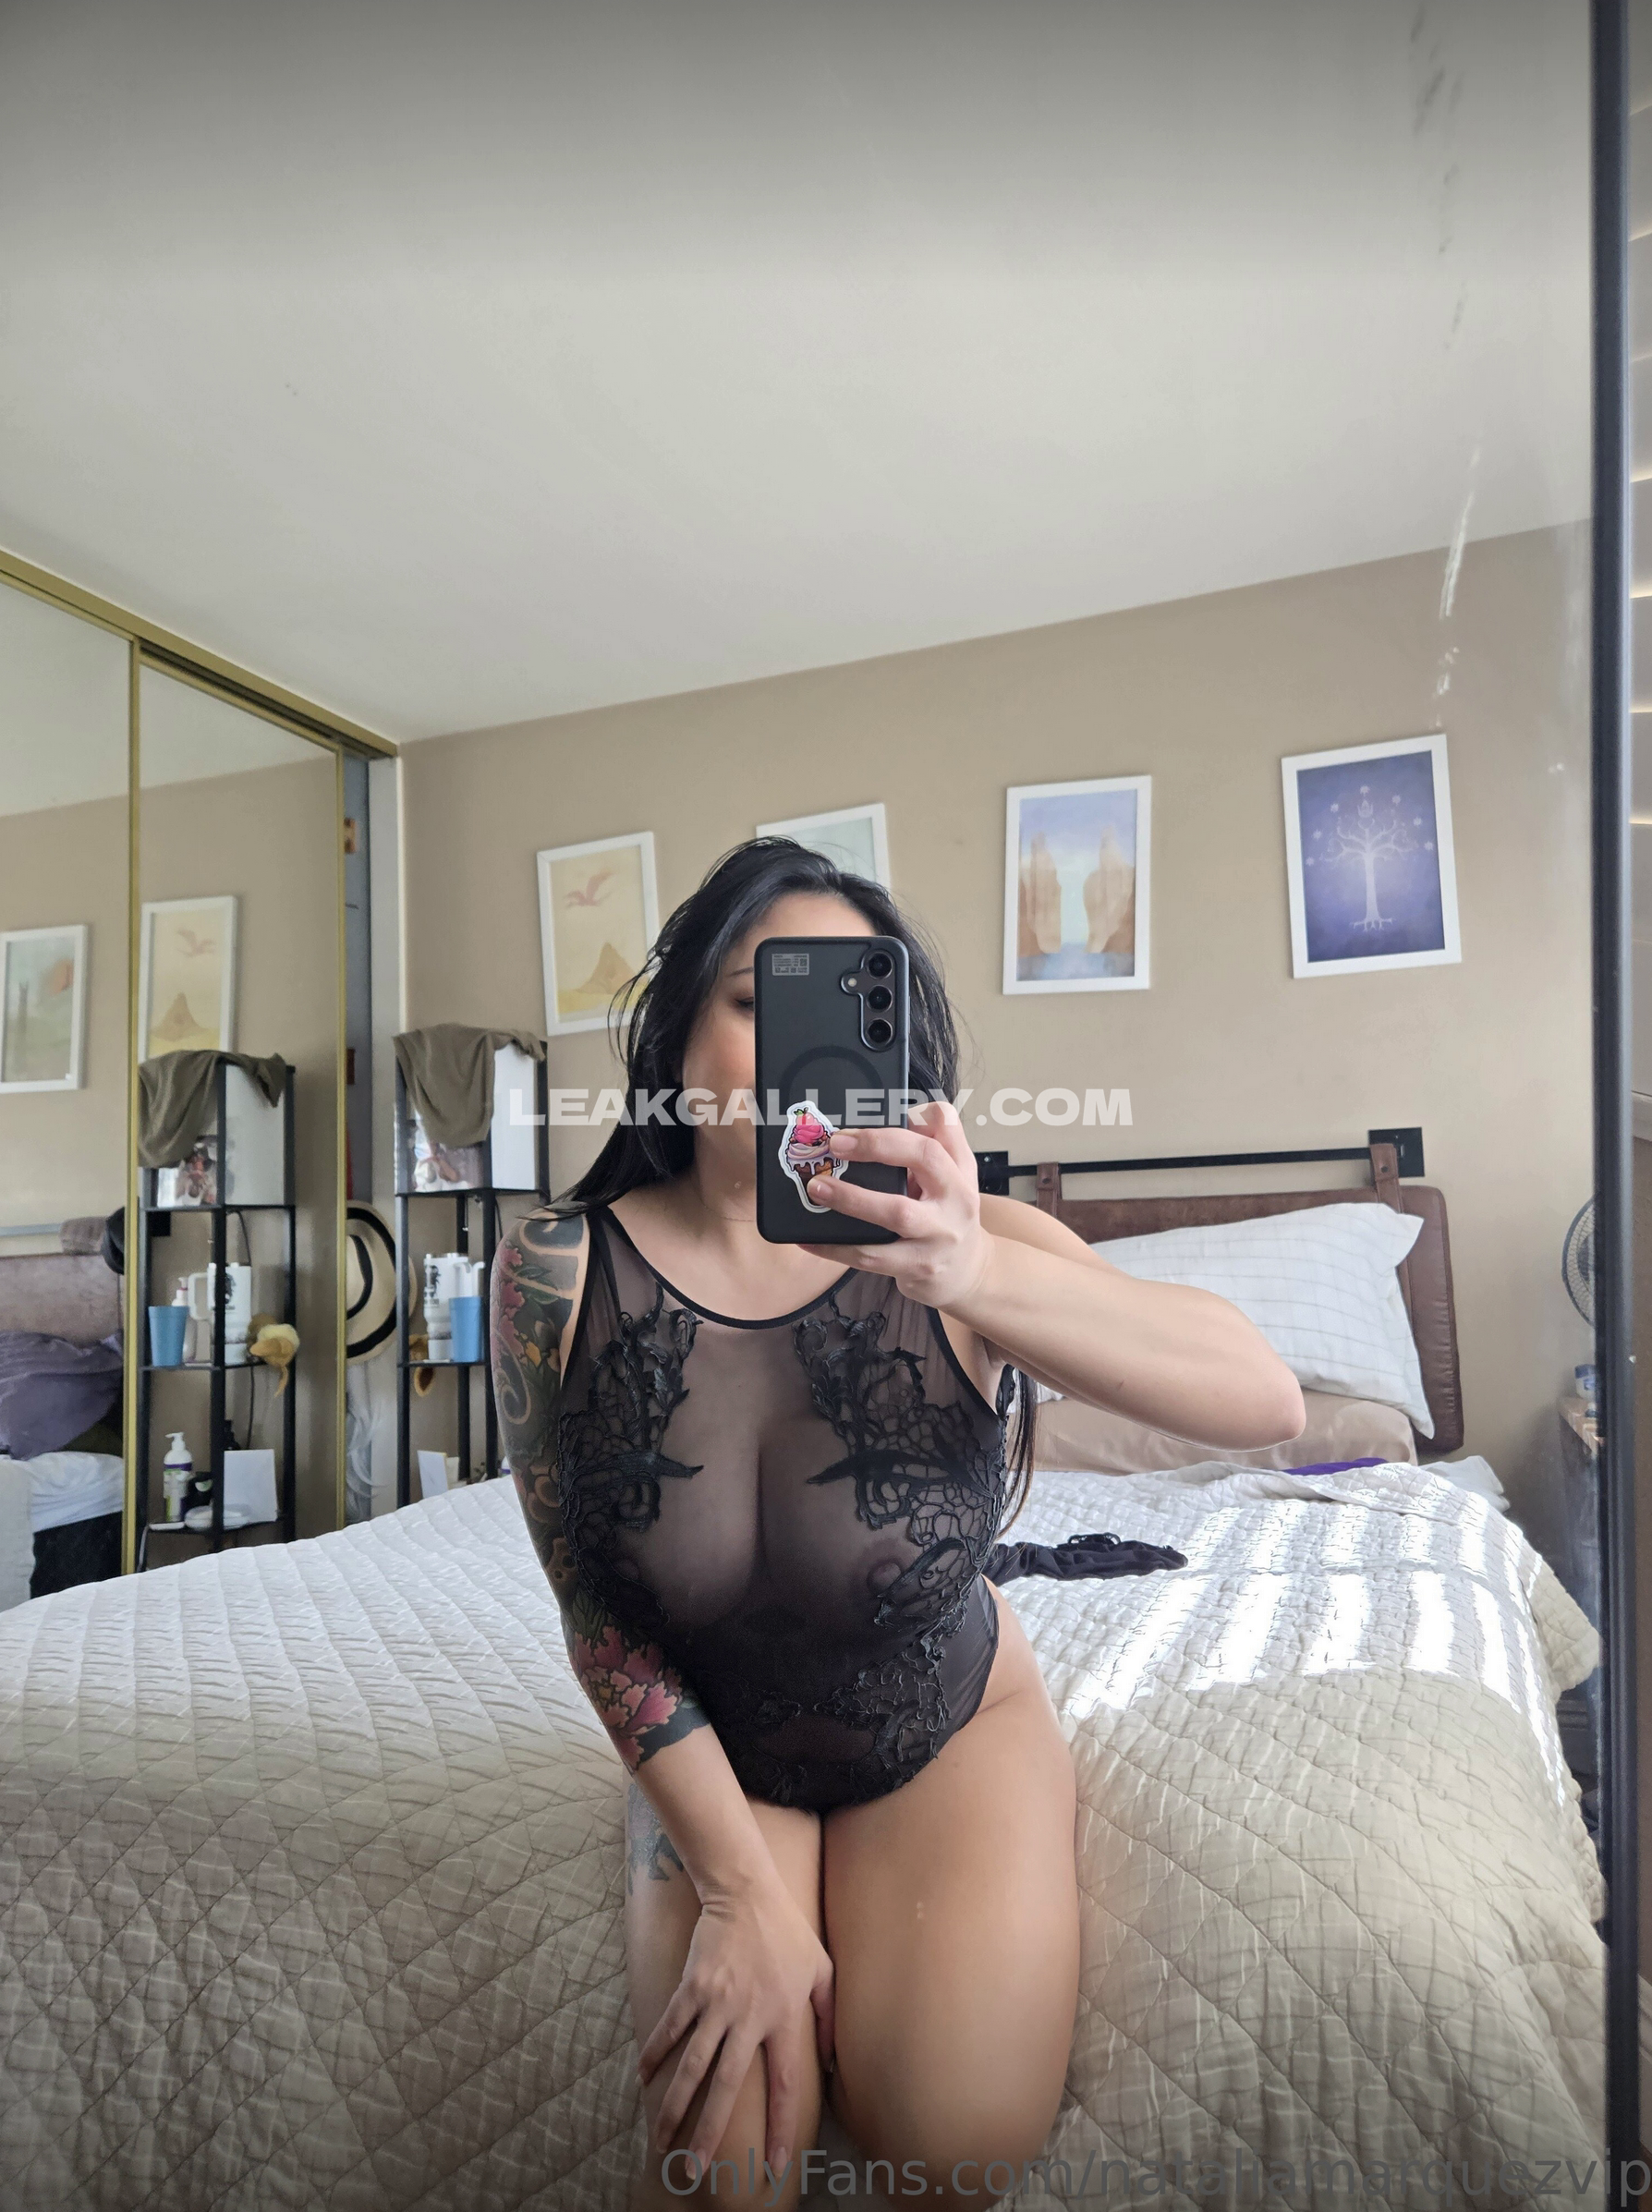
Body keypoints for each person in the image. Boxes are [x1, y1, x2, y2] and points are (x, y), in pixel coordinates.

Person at [492, 840, 1304, 2210]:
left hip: (942, 1712)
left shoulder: (968, 1246)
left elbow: (1262, 1397)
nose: (789, 1050)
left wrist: (972, 1268)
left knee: (950, 2141)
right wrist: (741, 1894)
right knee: (723, 2172)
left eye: (840, 1011)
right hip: (718, 1738)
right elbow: (597, 1612)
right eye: (754, 999)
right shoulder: (555, 1270)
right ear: (680, 1029)